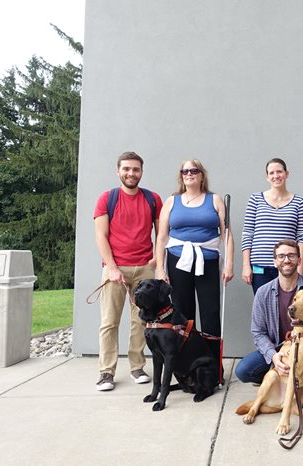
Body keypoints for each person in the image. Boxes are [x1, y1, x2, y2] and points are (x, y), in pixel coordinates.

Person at [93, 151, 163, 391]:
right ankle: (106, 372)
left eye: (136, 169)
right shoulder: (107, 198)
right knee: (109, 322)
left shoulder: (153, 199)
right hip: (115, 269)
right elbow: (100, 236)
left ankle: (137, 367)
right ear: (118, 171)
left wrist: (156, 260)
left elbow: (161, 232)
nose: (131, 173)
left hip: (144, 268)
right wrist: (112, 268)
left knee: (140, 321)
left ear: (141, 172)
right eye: (127, 169)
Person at [235, 239, 303, 388]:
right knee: (243, 370)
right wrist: (273, 356)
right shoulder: (263, 293)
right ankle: (277, 382)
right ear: (275, 261)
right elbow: (258, 332)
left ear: (299, 260)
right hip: (278, 348)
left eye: (291, 256)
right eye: (281, 256)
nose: (286, 260)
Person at [155, 159, 234, 337]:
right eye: (185, 171)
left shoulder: (215, 200)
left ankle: (211, 361)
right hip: (178, 260)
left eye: (193, 170)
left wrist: (229, 264)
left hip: (208, 261)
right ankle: (186, 359)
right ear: (181, 176)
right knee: (182, 311)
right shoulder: (171, 201)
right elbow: (161, 238)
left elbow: (227, 235)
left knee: (210, 311)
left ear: (201, 175)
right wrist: (160, 269)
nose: (189, 174)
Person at [241, 158, 303, 294]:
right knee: (264, 305)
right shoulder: (255, 199)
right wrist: (246, 266)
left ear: (286, 174)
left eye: (279, 172)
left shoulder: (299, 202)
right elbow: (248, 233)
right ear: (267, 177)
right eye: (271, 173)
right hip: (260, 266)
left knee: (288, 307)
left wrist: (300, 267)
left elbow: (302, 238)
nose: (276, 176)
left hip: (287, 265)